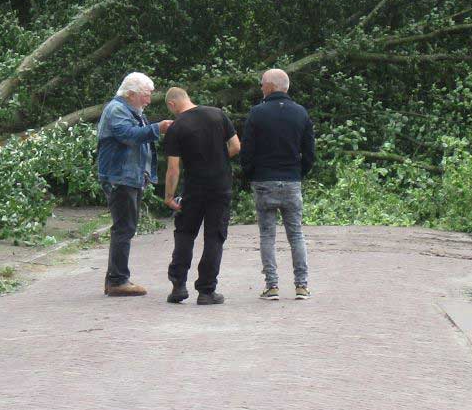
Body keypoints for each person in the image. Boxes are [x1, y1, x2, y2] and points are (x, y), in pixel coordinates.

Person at [239, 67, 315, 300]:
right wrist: (299, 173)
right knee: (296, 234)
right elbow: (309, 152)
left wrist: (251, 173)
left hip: (264, 180)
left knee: (267, 236)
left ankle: (272, 286)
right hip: (291, 180)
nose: (261, 87)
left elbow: (247, 151)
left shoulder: (257, 113)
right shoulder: (300, 113)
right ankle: (301, 285)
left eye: (262, 84)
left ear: (270, 86)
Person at [160, 87, 240, 306]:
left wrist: (169, 197)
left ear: (172, 105)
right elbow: (235, 146)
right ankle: (206, 291)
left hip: (193, 188)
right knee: (214, 237)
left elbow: (173, 169)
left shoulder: (177, 127)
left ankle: (178, 286)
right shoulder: (218, 114)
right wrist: (220, 161)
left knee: (185, 234)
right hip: (220, 187)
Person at [95, 72, 171, 296]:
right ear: (131, 94)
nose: (148, 101)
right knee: (124, 227)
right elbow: (128, 136)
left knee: (125, 226)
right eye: (146, 96)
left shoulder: (131, 110)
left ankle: (115, 278)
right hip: (120, 177)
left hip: (128, 177)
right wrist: (158, 128)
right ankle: (118, 280)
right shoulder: (117, 109)